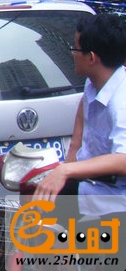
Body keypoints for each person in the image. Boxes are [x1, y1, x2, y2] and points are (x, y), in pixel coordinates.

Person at [33, 13, 126, 217]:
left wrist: (66, 171)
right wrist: (65, 171)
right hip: (90, 190)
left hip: (115, 202)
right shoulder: (93, 83)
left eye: (75, 48)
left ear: (91, 58)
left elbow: (123, 159)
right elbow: (79, 132)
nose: (72, 53)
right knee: (33, 213)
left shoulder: (121, 101)